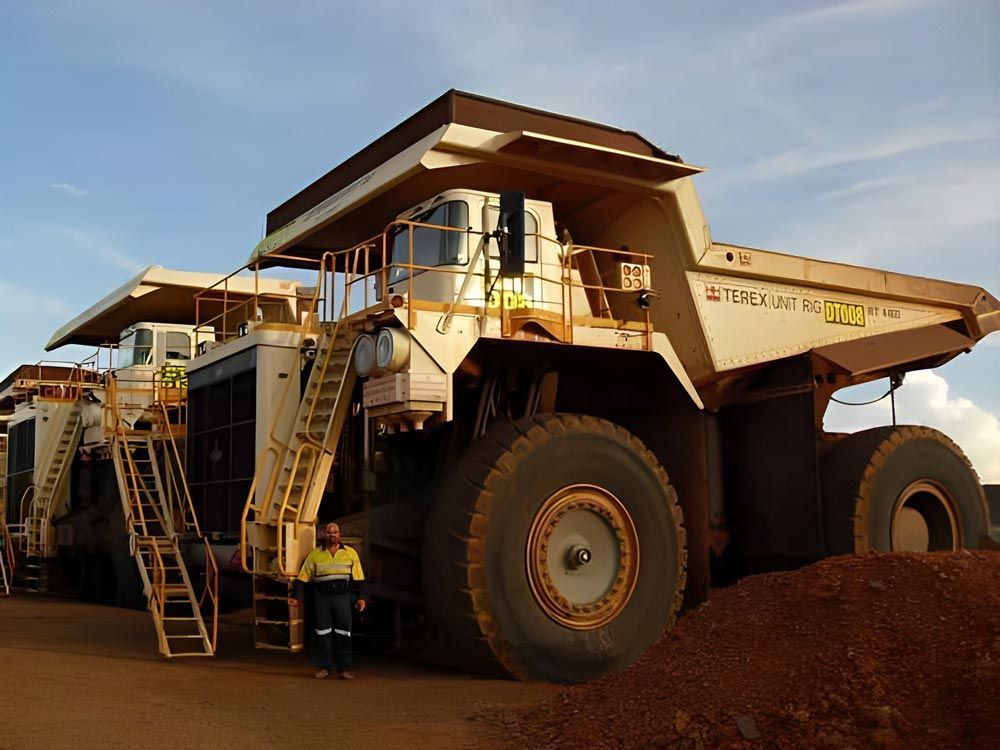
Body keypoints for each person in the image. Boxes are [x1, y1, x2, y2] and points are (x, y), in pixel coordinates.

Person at [298, 522, 366, 679]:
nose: (332, 534)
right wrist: (297, 598)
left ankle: (344, 669)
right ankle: (324, 667)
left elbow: (358, 578)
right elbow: (303, 578)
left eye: (335, 532)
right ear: (325, 535)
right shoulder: (315, 554)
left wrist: (361, 598)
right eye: (329, 532)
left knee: (344, 632)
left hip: (342, 597)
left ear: (339, 534)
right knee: (322, 632)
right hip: (322, 597)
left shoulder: (350, 553)